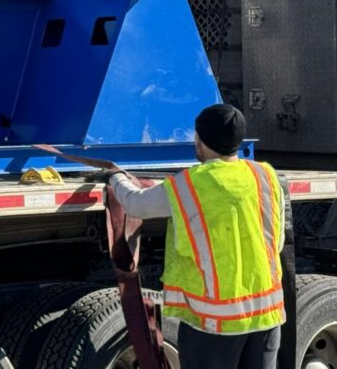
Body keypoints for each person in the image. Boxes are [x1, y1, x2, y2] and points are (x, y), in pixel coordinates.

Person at [108, 104, 285, 369]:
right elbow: (277, 242)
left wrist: (115, 177)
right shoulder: (265, 175)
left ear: (200, 140)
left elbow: (136, 204)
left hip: (214, 325)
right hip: (267, 317)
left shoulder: (191, 183)